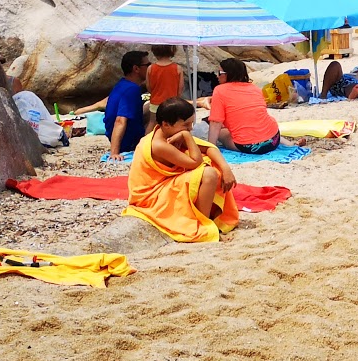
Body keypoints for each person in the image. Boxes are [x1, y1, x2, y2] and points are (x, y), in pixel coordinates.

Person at [124, 97, 240, 243]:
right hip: (152, 196)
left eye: (191, 124)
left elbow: (209, 148)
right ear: (166, 124)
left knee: (214, 165)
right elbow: (195, 162)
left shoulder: (169, 132)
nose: (190, 129)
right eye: (186, 125)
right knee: (208, 173)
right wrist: (186, 137)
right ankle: (202, 223)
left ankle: (204, 217)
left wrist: (226, 169)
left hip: (166, 185)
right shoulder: (159, 145)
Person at [207, 58, 282, 154]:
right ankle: (288, 143)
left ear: (228, 74)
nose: (217, 76)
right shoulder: (255, 88)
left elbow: (215, 122)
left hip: (248, 146)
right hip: (274, 140)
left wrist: (211, 148)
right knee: (263, 122)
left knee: (221, 133)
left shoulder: (219, 90)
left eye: (219, 72)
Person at [104, 50, 151, 160]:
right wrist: (115, 152)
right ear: (136, 69)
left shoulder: (123, 84)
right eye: (147, 65)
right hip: (128, 143)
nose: (150, 67)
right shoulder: (132, 89)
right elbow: (120, 120)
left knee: (153, 107)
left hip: (122, 136)